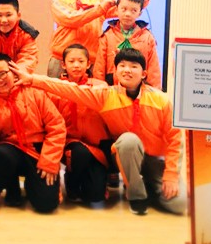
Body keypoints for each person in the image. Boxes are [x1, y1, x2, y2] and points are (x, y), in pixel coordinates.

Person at [12, 47, 185, 216]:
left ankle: (150, 187)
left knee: (178, 204)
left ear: (144, 73)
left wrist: (170, 175)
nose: (127, 70)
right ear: (115, 71)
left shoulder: (161, 100)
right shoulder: (106, 95)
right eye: (122, 66)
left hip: (155, 160)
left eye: (133, 66)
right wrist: (32, 79)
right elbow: (70, 89)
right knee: (128, 140)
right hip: (122, 156)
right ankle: (137, 196)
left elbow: (175, 139)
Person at [0, 53, 65, 213]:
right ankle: (12, 188)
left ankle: (33, 183)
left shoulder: (34, 91)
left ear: (14, 71)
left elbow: (56, 127)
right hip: (10, 152)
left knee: (46, 204)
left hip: (38, 152)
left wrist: (50, 162)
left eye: (3, 74)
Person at [51, 43, 112, 206]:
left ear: (88, 64)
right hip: (69, 145)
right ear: (63, 64)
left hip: (96, 147)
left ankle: (89, 181)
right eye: (71, 61)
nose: (76, 65)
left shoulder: (100, 86)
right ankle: (71, 180)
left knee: (95, 196)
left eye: (81, 61)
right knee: (79, 152)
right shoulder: (55, 88)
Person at [48, 0, 119, 79]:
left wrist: (141, 2)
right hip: (61, 60)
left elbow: (123, 10)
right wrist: (100, 9)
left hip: (91, 61)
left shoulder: (96, 2)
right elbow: (72, 19)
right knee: (55, 91)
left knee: (94, 91)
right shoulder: (58, 2)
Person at [94, 0, 162, 88]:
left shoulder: (147, 37)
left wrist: (155, 93)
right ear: (116, 9)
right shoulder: (108, 35)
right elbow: (99, 69)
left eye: (133, 10)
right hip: (112, 90)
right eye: (124, 9)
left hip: (139, 91)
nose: (128, 14)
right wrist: (99, 90)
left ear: (139, 13)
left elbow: (154, 71)